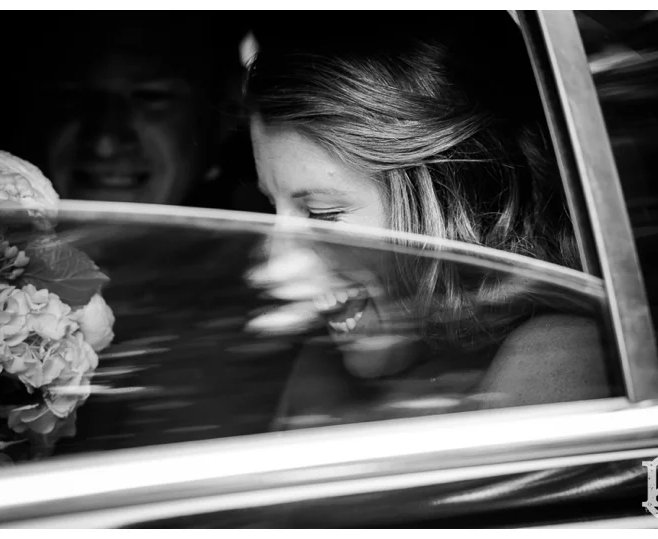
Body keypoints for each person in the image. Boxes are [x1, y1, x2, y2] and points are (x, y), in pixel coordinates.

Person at [243, 14, 615, 426]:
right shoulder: (323, 363)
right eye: (272, 206)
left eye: (322, 215)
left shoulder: (555, 355)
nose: (275, 260)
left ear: (451, 202)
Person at [19, 12, 257, 209]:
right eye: (71, 96)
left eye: (150, 96)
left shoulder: (266, 245)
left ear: (228, 111)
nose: (104, 145)